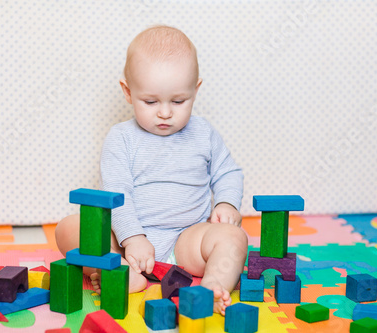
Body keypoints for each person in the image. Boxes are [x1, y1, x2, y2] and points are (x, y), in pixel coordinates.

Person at [55, 25, 248, 315]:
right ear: (128, 92)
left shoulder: (204, 133)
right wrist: (132, 238)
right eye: (150, 101)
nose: (165, 112)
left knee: (234, 238)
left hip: (186, 241)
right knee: (70, 228)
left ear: (195, 90)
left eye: (179, 101)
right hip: (124, 242)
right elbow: (115, 192)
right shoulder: (121, 138)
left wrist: (226, 202)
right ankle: (119, 271)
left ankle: (213, 285)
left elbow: (228, 173)